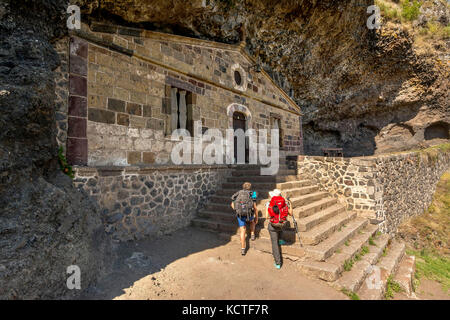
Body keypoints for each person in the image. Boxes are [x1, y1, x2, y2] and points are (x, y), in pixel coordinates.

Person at [265, 189, 292, 269]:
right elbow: (291, 213)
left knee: (274, 244)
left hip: (273, 225)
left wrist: (269, 209)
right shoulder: (285, 203)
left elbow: (267, 217)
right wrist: (290, 204)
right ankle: (280, 239)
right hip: (282, 224)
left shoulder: (269, 204)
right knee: (281, 224)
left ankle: (278, 263)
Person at [231, 182, 258, 256]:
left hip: (240, 215)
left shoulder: (238, 193)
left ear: (243, 187)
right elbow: (255, 207)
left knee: (242, 230)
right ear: (250, 187)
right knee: (252, 221)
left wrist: (236, 210)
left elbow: (232, 203)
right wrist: (257, 217)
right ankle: (252, 233)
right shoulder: (253, 193)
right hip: (249, 214)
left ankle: (243, 248)